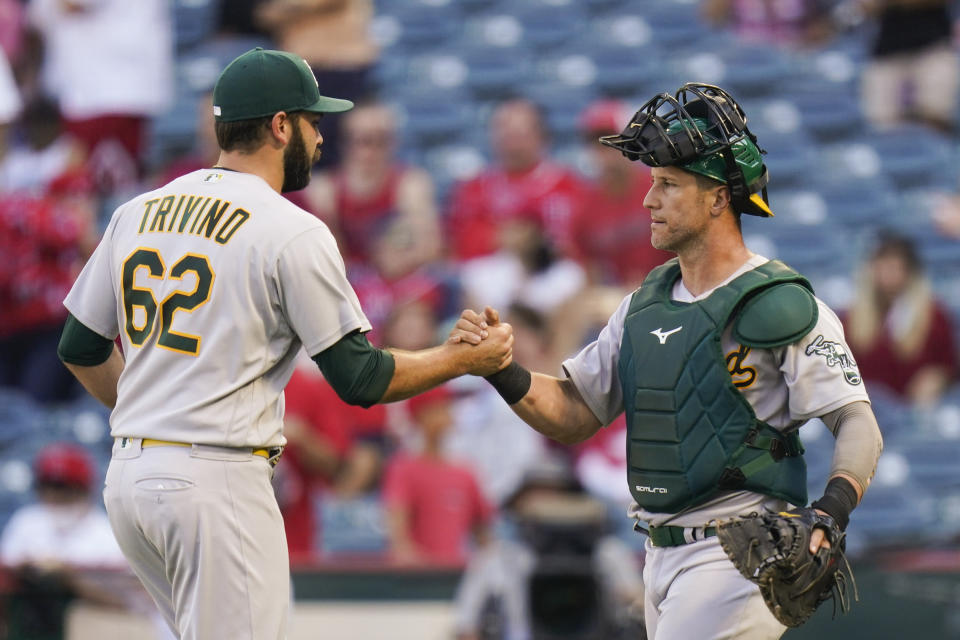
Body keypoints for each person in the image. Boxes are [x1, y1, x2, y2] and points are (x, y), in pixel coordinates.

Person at [55, 47, 513, 640]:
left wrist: (145, 415)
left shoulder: (138, 210)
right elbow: (361, 378)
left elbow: (79, 343)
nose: (321, 138)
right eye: (313, 121)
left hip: (130, 482)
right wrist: (462, 359)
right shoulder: (289, 228)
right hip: (214, 480)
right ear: (279, 125)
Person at [452, 83, 884, 640]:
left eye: (668, 185)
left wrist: (831, 510)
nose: (647, 201)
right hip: (658, 554)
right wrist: (501, 368)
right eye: (652, 183)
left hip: (737, 551)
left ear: (718, 198)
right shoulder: (642, 303)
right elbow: (575, 410)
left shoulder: (778, 301)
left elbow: (858, 422)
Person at [0, 443, 172, 640]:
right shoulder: (26, 522)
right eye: (48, 485)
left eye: (63, 487)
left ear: (83, 489)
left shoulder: (106, 532)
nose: (54, 495)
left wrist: (70, 579)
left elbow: (138, 602)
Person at [306, 100, 442, 275]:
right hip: (347, 279)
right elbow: (324, 256)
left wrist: (395, 262)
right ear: (346, 143)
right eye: (364, 141)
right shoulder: (324, 190)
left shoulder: (410, 184)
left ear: (394, 143)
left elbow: (429, 247)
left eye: (382, 140)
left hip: (398, 278)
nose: (372, 151)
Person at [447, 98, 585, 261]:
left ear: (542, 136)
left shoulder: (568, 186)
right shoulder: (474, 189)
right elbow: (458, 244)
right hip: (490, 275)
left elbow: (581, 244)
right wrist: (499, 237)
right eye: (505, 132)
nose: (512, 143)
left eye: (520, 133)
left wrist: (534, 240)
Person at [843, 230, 958, 406]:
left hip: (916, 412)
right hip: (867, 412)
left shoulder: (934, 317)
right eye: (882, 266)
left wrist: (939, 378)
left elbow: (950, 366)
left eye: (895, 267)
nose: (888, 274)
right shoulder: (850, 320)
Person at [383, 385, 494, 565]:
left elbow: (485, 538)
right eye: (439, 408)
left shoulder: (466, 473)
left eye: (446, 407)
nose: (447, 414)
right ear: (421, 416)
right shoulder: (403, 469)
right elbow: (399, 540)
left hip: (455, 581)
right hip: (421, 581)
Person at [859, 0, 959, 133]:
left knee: (935, 114)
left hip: (933, 47)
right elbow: (866, 7)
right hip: (887, 52)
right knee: (883, 125)